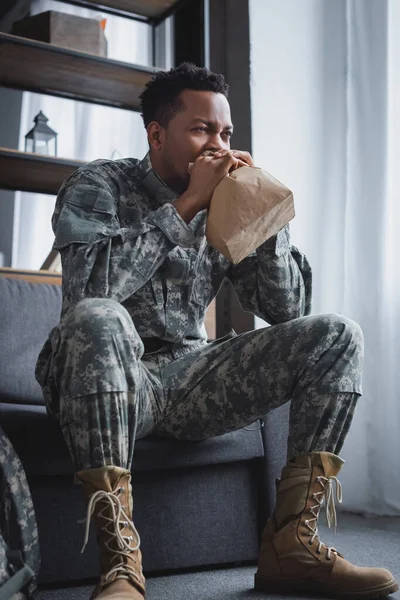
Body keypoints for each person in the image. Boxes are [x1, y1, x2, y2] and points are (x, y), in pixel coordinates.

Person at [35, 62, 398, 600]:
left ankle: (290, 547)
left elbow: (288, 309)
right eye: (202, 129)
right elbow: (91, 290)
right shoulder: (99, 185)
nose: (218, 145)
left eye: (225, 132)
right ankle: (120, 566)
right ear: (157, 134)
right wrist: (185, 207)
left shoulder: (225, 203)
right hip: (109, 383)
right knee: (99, 317)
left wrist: (263, 215)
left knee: (336, 333)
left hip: (186, 381)